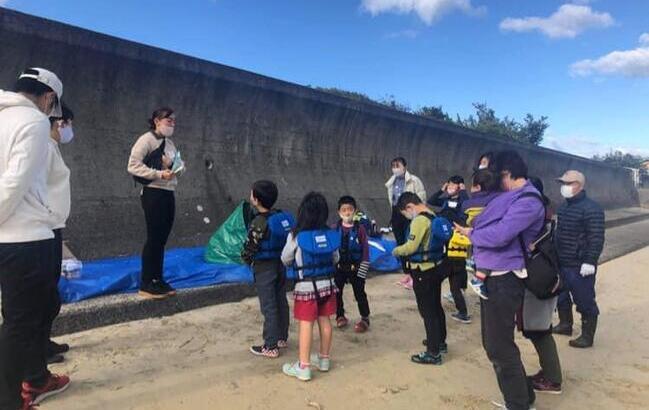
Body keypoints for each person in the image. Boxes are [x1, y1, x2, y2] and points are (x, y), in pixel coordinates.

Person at [0, 68, 71, 410]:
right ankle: (13, 399)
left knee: (18, 319)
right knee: (21, 326)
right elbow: (14, 183)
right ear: (47, 97)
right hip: (26, 239)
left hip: (10, 239)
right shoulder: (33, 122)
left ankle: (30, 382)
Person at [455, 150, 544, 410]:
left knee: (499, 346)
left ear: (506, 172)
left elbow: (501, 235)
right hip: (493, 277)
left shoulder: (528, 200)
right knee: (494, 343)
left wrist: (473, 235)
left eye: (493, 172)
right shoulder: (510, 196)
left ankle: (518, 404)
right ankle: (524, 396)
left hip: (504, 280)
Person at [281, 192, 340, 381]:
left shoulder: (296, 235)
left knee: (306, 325)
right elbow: (336, 258)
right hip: (328, 285)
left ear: (302, 212)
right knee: (325, 320)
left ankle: (304, 366)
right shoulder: (331, 235)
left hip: (306, 288)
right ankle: (324, 360)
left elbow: (285, 259)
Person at [127, 107, 185, 299]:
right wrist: (158, 174)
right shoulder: (146, 139)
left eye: (173, 120)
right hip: (153, 192)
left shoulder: (170, 143)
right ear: (156, 121)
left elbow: (181, 167)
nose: (171, 122)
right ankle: (146, 282)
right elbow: (133, 165)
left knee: (161, 239)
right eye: (167, 119)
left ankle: (157, 279)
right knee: (154, 237)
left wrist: (172, 166)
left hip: (168, 191)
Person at [392, 192, 453, 365]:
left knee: (427, 311)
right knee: (436, 307)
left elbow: (411, 247)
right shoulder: (433, 215)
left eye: (405, 213)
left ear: (409, 207)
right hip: (435, 267)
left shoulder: (419, 220)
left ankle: (432, 353)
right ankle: (440, 342)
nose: (407, 216)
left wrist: (395, 251)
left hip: (422, 271)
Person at [241, 180, 294, 358]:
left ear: (256, 200)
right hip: (280, 264)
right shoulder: (281, 217)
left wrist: (248, 261)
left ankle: (270, 346)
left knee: (269, 306)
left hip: (264, 267)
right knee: (280, 300)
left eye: (251, 194)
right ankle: (281, 337)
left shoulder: (259, 223)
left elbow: (249, 248)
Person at [553, 170, 605, 349]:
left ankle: (587, 335)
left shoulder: (592, 209)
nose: (565, 187)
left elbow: (596, 237)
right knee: (560, 295)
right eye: (563, 183)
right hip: (561, 260)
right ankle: (565, 324)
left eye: (569, 183)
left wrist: (590, 260)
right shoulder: (563, 207)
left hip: (579, 264)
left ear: (580, 186)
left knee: (584, 299)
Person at [521, 176, 564, 395]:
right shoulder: (544, 211)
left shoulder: (536, 214)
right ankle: (549, 372)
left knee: (538, 330)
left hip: (539, 279)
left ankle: (553, 379)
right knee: (536, 328)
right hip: (540, 278)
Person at [44, 104, 75, 365]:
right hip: (42, 228)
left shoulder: (52, 147)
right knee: (42, 293)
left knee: (49, 291)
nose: (70, 130)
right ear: (60, 123)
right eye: (69, 124)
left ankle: (43, 341)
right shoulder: (42, 146)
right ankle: (35, 350)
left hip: (54, 225)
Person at [428, 176, 470, 323]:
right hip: (446, 242)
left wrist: (463, 192)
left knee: (445, 276)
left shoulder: (463, 201)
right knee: (454, 280)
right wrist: (442, 189)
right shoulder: (446, 200)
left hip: (456, 243)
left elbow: (467, 204)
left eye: (454, 184)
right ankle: (462, 310)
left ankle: (462, 311)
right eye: (449, 184)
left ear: (460, 186)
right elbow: (431, 201)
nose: (451, 186)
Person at [385, 157, 426, 289]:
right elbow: (392, 200)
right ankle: (407, 273)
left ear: (405, 166)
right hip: (397, 214)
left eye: (398, 165)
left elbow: (421, 198)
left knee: (411, 243)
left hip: (410, 215)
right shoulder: (392, 182)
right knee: (400, 243)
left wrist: (418, 215)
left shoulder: (414, 181)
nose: (395, 168)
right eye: (393, 165)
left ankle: (415, 275)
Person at [461, 169, 502, 299]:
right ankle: (478, 280)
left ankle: (472, 262)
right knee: (489, 259)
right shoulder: (496, 200)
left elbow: (464, 208)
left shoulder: (470, 202)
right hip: (486, 234)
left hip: (474, 231)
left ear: (477, 187)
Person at [333, 196, 371, 332]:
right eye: (344, 210)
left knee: (360, 293)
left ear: (355, 211)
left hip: (356, 268)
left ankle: (365, 318)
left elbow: (365, 251)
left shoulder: (360, 229)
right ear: (339, 212)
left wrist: (362, 271)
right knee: (337, 293)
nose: (347, 213)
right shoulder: (335, 228)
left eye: (350, 209)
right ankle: (340, 315)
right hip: (338, 268)